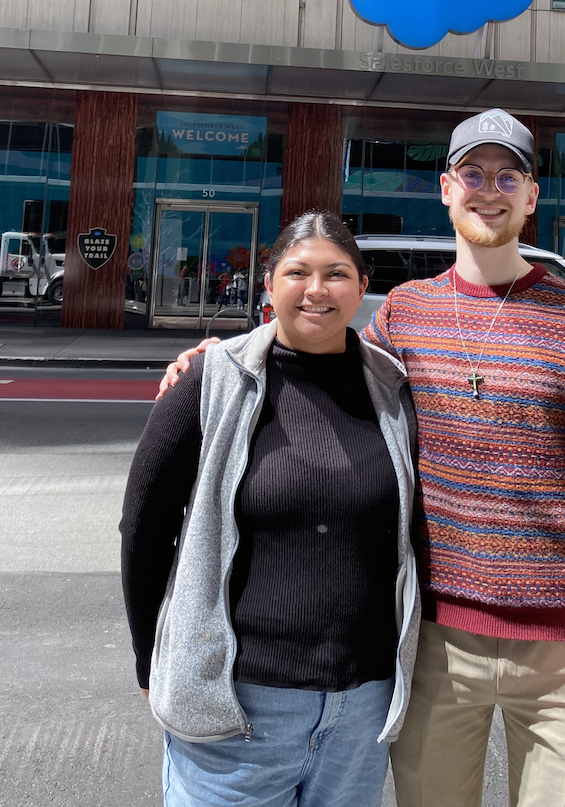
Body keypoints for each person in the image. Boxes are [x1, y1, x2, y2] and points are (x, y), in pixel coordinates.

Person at [159, 109, 565, 807]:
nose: (491, 189)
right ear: (445, 189)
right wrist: (219, 358)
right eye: (473, 174)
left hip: (563, 658)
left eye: (508, 174)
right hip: (434, 647)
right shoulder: (402, 319)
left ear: (532, 195)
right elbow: (310, 354)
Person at [120, 211, 421, 807]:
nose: (316, 290)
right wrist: (150, 660)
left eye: (336, 274)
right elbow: (144, 527)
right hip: (240, 709)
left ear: (363, 286)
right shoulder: (211, 380)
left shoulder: (393, 388)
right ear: (268, 282)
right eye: (297, 272)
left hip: (361, 712)